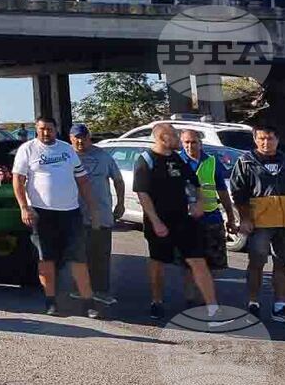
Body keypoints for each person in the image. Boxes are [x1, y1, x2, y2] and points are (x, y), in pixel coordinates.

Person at [12, 115, 103, 319]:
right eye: (42, 129)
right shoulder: (27, 149)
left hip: (70, 212)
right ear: (37, 130)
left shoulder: (67, 149)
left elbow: (83, 181)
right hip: (41, 213)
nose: (46, 133)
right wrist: (24, 208)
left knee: (79, 258)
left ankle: (89, 302)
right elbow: (18, 180)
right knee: (47, 259)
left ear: (56, 129)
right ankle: (51, 301)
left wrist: (93, 208)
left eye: (50, 129)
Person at [133, 123, 221, 320]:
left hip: (184, 220)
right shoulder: (146, 160)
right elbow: (143, 194)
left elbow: (193, 183)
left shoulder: (177, 159)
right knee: (158, 262)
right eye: (174, 135)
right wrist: (155, 221)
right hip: (159, 221)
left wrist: (197, 202)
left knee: (197, 260)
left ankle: (212, 306)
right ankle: (157, 301)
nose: (178, 139)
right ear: (163, 138)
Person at [229, 124, 285, 326]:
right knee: (257, 264)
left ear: (278, 140)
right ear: (255, 139)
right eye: (262, 138)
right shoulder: (246, 161)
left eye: (270, 138)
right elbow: (238, 193)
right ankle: (253, 303)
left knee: (282, 264)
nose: (266, 142)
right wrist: (245, 218)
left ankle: (280, 307)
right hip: (259, 223)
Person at [178, 129, 237, 307]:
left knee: (213, 263)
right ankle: (190, 299)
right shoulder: (177, 161)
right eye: (186, 142)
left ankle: (206, 297)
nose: (190, 146)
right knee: (189, 263)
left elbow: (222, 190)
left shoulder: (211, 161)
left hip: (211, 218)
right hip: (187, 220)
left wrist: (231, 216)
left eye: (193, 142)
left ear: (200, 143)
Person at [69, 123, 125, 305]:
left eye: (83, 137)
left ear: (89, 137)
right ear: (71, 139)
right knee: (79, 253)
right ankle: (80, 289)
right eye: (76, 138)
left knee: (100, 253)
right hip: (75, 213)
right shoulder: (66, 157)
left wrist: (121, 203)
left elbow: (118, 180)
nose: (80, 141)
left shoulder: (103, 156)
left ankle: (101, 291)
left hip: (101, 213)